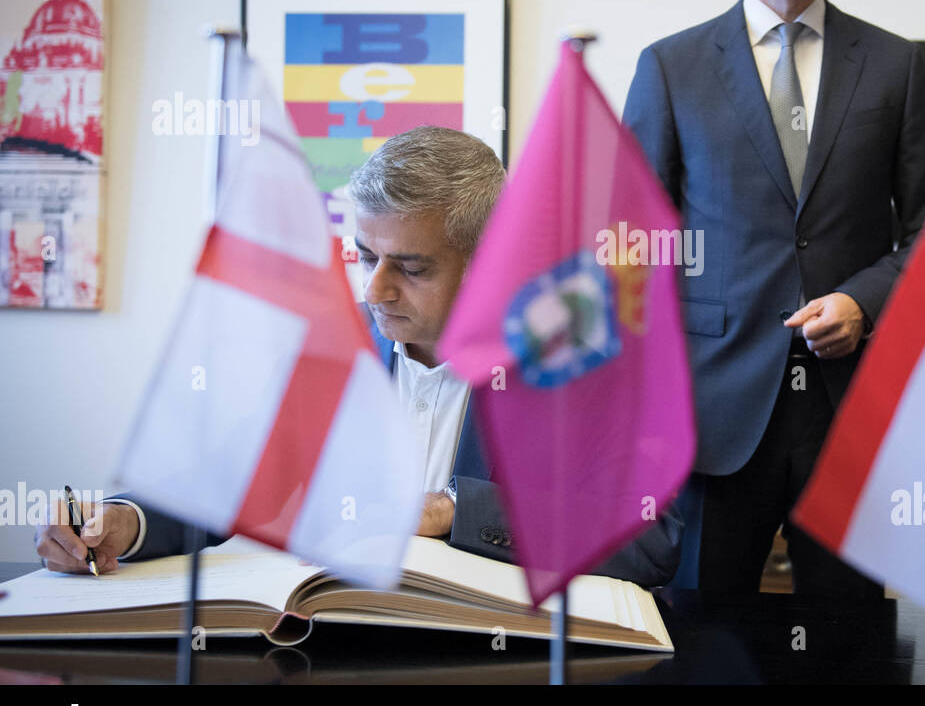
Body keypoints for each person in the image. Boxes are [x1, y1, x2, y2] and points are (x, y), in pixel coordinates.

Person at [34, 126, 683, 587]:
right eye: (366, 257)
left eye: (410, 267)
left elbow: (649, 543)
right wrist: (124, 520)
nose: (373, 291)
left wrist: (455, 510)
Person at [622, 0, 925, 596]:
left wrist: (864, 302)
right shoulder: (670, 66)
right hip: (716, 403)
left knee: (854, 639)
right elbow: (635, 239)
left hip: (851, 404)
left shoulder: (897, 65)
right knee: (704, 635)